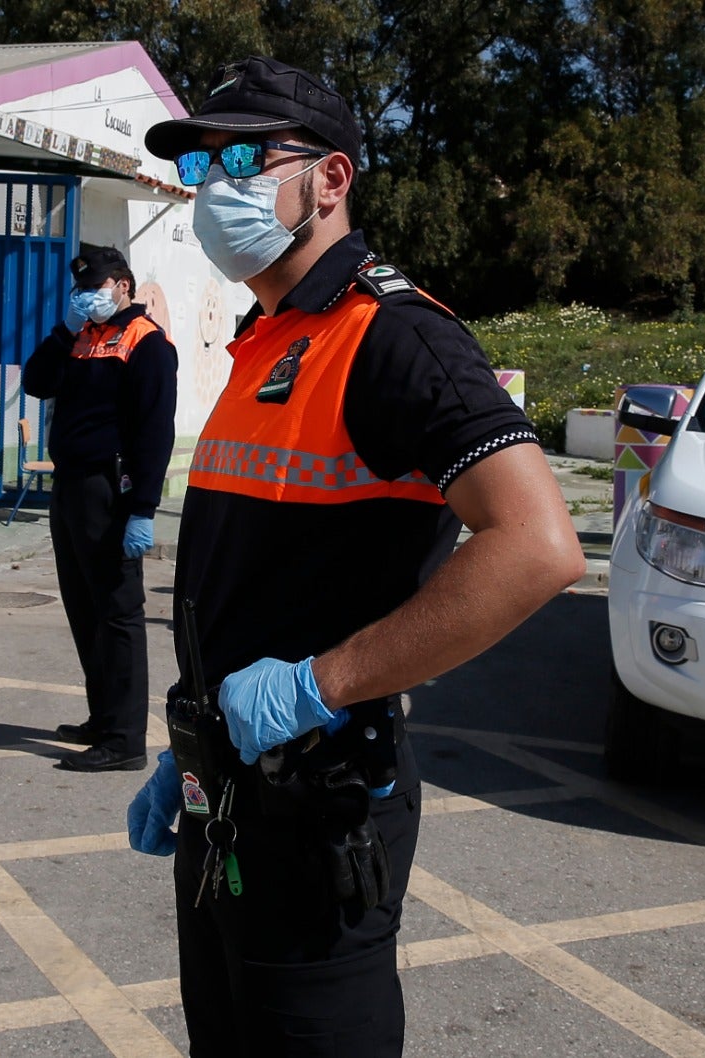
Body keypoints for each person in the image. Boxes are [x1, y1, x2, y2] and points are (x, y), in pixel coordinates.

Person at [126, 56, 587, 1054]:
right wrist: (191, 744)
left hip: (324, 802)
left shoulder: (394, 338)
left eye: (244, 157)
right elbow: (264, 577)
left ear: (331, 179)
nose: (216, 185)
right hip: (229, 793)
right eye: (204, 163)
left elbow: (537, 546)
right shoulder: (267, 337)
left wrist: (320, 682)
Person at [21, 247, 178, 773]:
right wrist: (63, 331)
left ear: (125, 285)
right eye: (82, 288)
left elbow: (155, 431)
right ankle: (101, 716)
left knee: (117, 614)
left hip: (110, 490)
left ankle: (126, 737)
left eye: (99, 285)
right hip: (69, 485)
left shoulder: (146, 342)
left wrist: (144, 507)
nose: (89, 294)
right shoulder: (82, 337)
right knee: (83, 609)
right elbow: (36, 382)